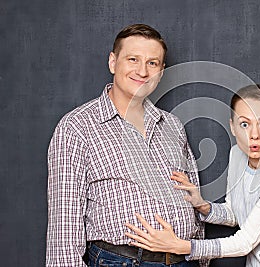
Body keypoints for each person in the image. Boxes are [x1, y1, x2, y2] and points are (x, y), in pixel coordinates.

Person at [46, 24, 205, 267]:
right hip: (123, 261)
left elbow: (194, 200)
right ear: (113, 62)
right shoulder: (77, 126)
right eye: (133, 59)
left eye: (152, 63)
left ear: (161, 72)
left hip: (185, 259)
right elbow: (64, 225)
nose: (142, 71)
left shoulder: (172, 125)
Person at [125, 84, 260, 266]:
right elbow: (236, 214)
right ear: (232, 127)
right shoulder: (237, 155)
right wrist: (203, 206)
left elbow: (245, 242)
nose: (254, 134)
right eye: (245, 124)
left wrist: (181, 246)